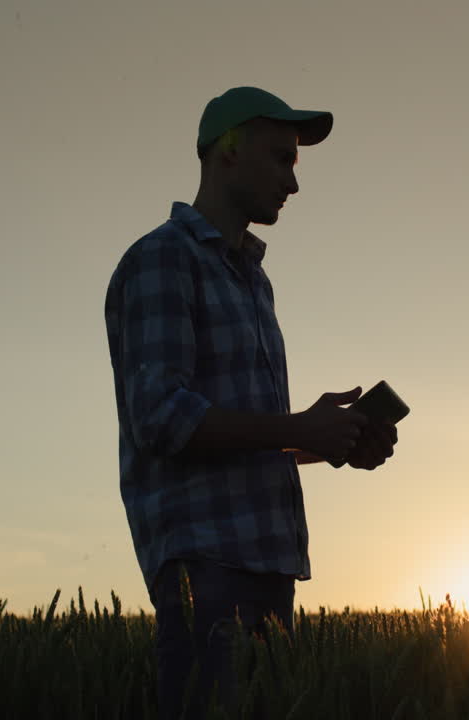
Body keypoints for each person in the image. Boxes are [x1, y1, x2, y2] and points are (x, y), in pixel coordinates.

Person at [104, 86, 399, 718]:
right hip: (207, 567)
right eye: (281, 159)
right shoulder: (162, 259)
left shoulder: (251, 278)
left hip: (266, 563)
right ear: (227, 154)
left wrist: (330, 441)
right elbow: (162, 417)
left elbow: (242, 440)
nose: (293, 184)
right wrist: (298, 425)